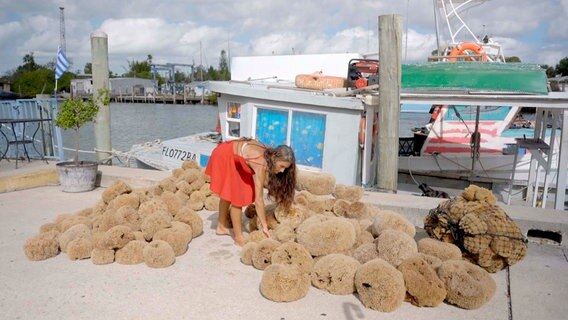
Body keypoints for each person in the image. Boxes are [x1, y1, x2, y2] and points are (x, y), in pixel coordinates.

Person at [204, 138, 296, 246]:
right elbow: (259, 199)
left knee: (229, 192)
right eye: (282, 166)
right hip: (225, 155)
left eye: (285, 168)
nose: (282, 171)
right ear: (275, 157)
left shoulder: (270, 153)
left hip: (233, 154)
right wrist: (264, 226)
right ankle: (238, 238)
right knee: (237, 197)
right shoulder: (261, 163)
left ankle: (221, 226)